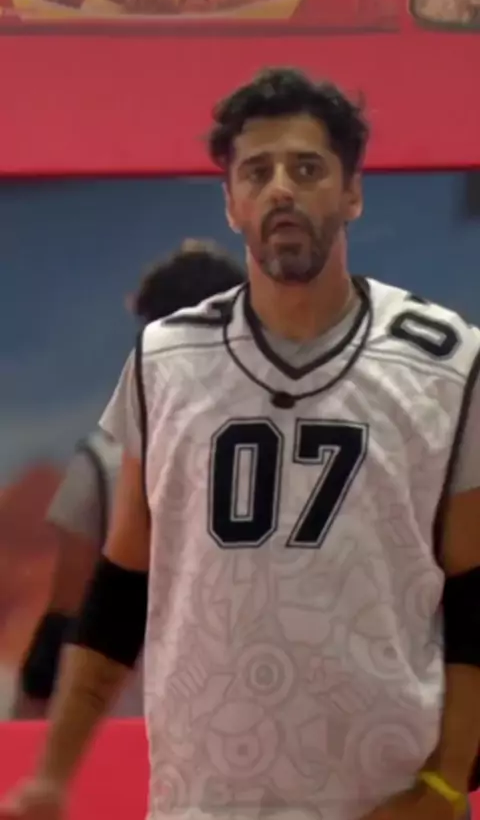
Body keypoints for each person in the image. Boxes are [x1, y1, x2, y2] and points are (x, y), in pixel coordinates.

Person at [2, 67, 480, 820]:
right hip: (206, 798)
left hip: (382, 796)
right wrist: (53, 774)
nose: (281, 189)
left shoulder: (446, 358)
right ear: (231, 203)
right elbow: (119, 588)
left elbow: (474, 594)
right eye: (257, 172)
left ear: (352, 193)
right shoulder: (164, 359)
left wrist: (450, 783)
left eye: (307, 168)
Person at [12, 238, 245, 722]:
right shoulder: (297, 451)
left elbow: (65, 614)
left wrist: (25, 725)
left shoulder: (107, 462)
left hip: (135, 722)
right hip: (259, 719)